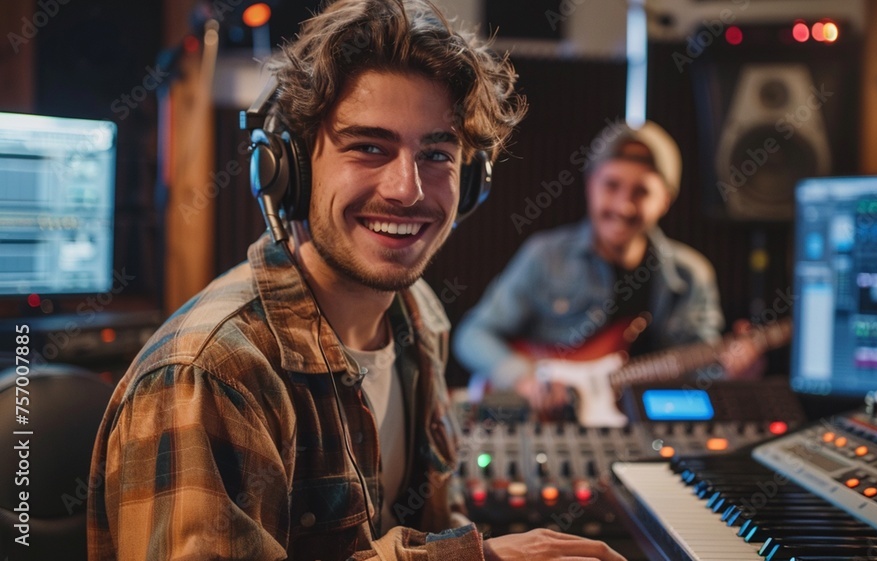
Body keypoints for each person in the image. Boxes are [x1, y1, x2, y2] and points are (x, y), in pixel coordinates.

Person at [86, 1, 626, 560]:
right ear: (289, 166)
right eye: (369, 147)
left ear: (470, 180)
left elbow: (429, 523)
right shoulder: (210, 375)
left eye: (437, 153)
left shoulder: (419, 317)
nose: (406, 189)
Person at [453, 120, 762, 415]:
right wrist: (524, 377)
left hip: (647, 429)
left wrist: (734, 374)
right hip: (557, 427)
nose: (623, 206)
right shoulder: (546, 255)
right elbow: (472, 336)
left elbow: (700, 378)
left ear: (665, 199)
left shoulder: (691, 274)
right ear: (590, 185)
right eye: (611, 185)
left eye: (641, 192)